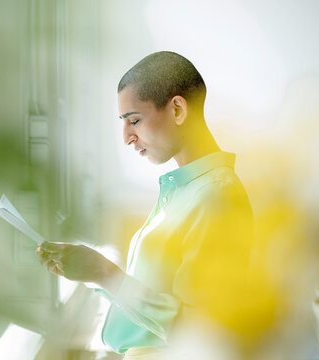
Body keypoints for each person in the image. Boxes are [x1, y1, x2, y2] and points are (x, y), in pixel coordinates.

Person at [36, 51, 257, 359]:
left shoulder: (216, 197)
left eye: (135, 120)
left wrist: (103, 273)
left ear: (178, 109)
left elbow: (198, 328)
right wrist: (93, 273)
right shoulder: (183, 189)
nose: (127, 137)